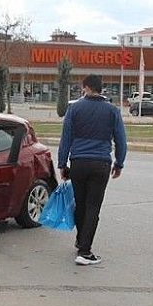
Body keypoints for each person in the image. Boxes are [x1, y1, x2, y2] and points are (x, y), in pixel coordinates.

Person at [57, 74, 127, 265]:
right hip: (101, 164)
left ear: (85, 87)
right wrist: (119, 163)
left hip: (78, 163)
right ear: (101, 88)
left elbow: (66, 139)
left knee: (80, 204)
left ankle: (81, 240)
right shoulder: (112, 111)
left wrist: (62, 164)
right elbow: (121, 140)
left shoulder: (74, 109)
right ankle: (85, 250)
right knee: (93, 206)